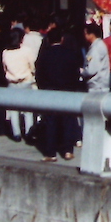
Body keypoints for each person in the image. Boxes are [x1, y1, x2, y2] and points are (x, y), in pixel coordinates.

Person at [34, 26, 83, 162]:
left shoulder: (44, 55)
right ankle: (68, 151)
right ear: (62, 39)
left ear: (48, 40)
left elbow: (39, 74)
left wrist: (43, 88)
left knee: (50, 122)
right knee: (68, 120)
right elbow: (76, 73)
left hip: (50, 91)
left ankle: (50, 152)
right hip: (67, 91)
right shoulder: (70, 53)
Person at [3, 27, 37, 140]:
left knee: (13, 109)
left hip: (12, 82)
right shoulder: (26, 50)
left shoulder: (5, 52)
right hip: (26, 81)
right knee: (27, 109)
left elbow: (5, 68)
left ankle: (16, 133)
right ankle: (29, 132)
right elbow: (32, 66)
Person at [82, 22, 110, 93]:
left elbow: (91, 70)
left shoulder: (96, 48)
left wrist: (82, 72)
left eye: (85, 34)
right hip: (99, 85)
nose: (84, 36)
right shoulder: (99, 45)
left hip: (96, 87)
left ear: (91, 34)